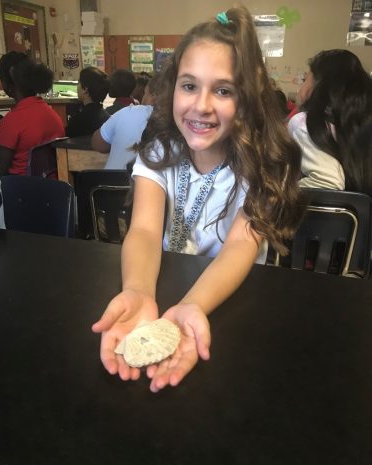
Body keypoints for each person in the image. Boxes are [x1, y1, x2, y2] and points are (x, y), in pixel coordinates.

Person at [92, 6, 304, 393]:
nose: (201, 105)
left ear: (248, 98)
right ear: (172, 87)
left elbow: (242, 243)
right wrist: (138, 290)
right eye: (189, 85)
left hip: (228, 303)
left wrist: (194, 305)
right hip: (164, 292)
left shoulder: (262, 166)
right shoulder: (158, 151)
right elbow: (142, 228)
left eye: (223, 90)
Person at [288, 49, 372, 193]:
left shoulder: (305, 123)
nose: (298, 89)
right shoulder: (360, 124)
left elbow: (327, 181)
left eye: (304, 80)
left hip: (323, 214)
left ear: (317, 86)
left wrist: (277, 191)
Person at [0, 51, 65, 176]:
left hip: (19, 189)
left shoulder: (12, 121)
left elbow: (1, 169)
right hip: (52, 188)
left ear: (10, 79)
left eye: (0, 79)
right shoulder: (52, 114)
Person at [92, 74, 158, 170]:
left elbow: (97, 144)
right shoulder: (177, 124)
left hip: (112, 182)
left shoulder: (129, 111)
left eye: (145, 93)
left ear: (153, 96)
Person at [66, 66, 110, 138]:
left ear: (85, 90)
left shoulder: (77, 121)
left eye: (78, 82)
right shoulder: (107, 117)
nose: (77, 87)